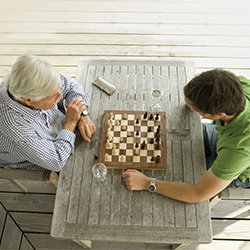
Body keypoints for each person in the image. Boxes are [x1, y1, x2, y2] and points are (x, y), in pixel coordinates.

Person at [123, 69, 250, 203]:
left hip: (238, 169)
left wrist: (146, 183)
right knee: (165, 138)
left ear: (221, 115)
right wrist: (193, 99)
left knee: (173, 172)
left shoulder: (238, 150)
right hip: (223, 137)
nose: (193, 109)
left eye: (197, 109)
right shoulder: (235, 85)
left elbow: (198, 193)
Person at [0, 54, 96, 171]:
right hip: (43, 158)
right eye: (53, 96)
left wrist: (83, 115)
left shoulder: (35, 81)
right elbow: (56, 161)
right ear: (29, 100)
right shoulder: (14, 126)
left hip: (61, 129)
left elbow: (71, 86)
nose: (60, 96)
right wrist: (71, 123)